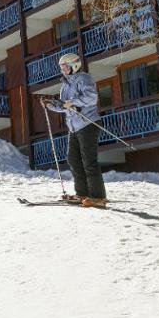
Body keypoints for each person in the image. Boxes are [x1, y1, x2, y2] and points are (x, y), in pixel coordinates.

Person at [42, 53, 107, 208]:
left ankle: (98, 197)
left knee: (88, 161)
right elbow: (65, 106)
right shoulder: (65, 84)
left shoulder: (83, 79)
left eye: (65, 66)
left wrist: (73, 102)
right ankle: (82, 193)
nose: (62, 70)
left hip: (88, 124)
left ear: (74, 65)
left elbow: (91, 98)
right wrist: (51, 105)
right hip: (74, 127)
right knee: (73, 159)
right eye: (61, 67)